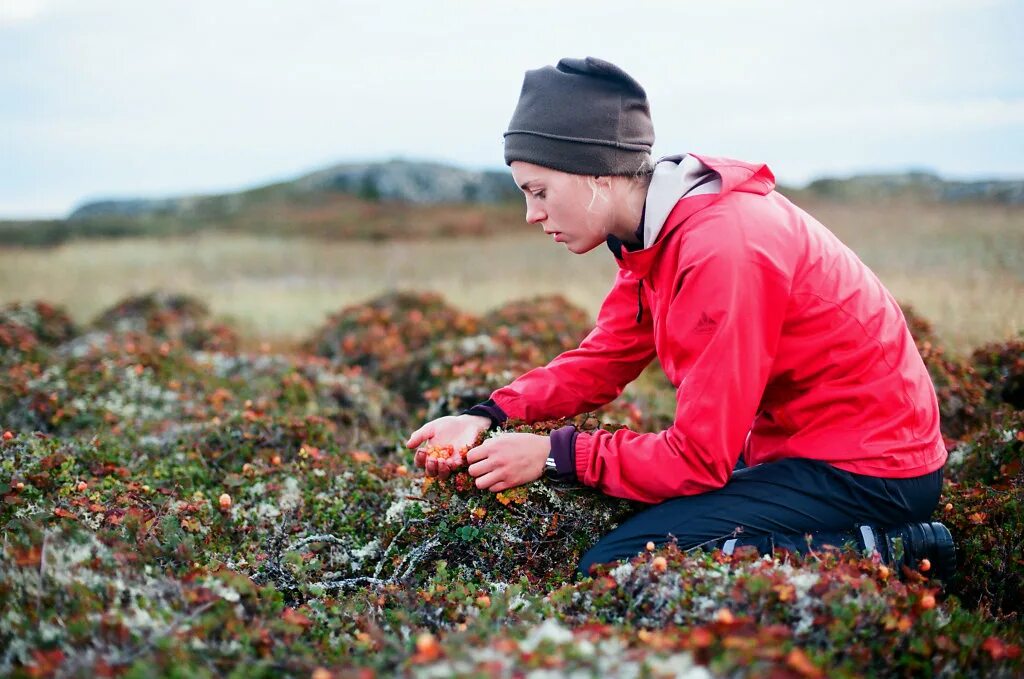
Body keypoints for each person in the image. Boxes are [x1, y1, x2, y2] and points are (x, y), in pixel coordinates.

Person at [405, 56, 955, 580]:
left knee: (619, 565)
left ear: (596, 171)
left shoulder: (721, 249)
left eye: (540, 191)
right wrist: (487, 415)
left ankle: (894, 549)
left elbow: (698, 459)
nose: (532, 214)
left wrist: (553, 454)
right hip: (800, 445)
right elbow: (604, 359)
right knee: (636, 525)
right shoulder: (654, 230)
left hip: (871, 470)